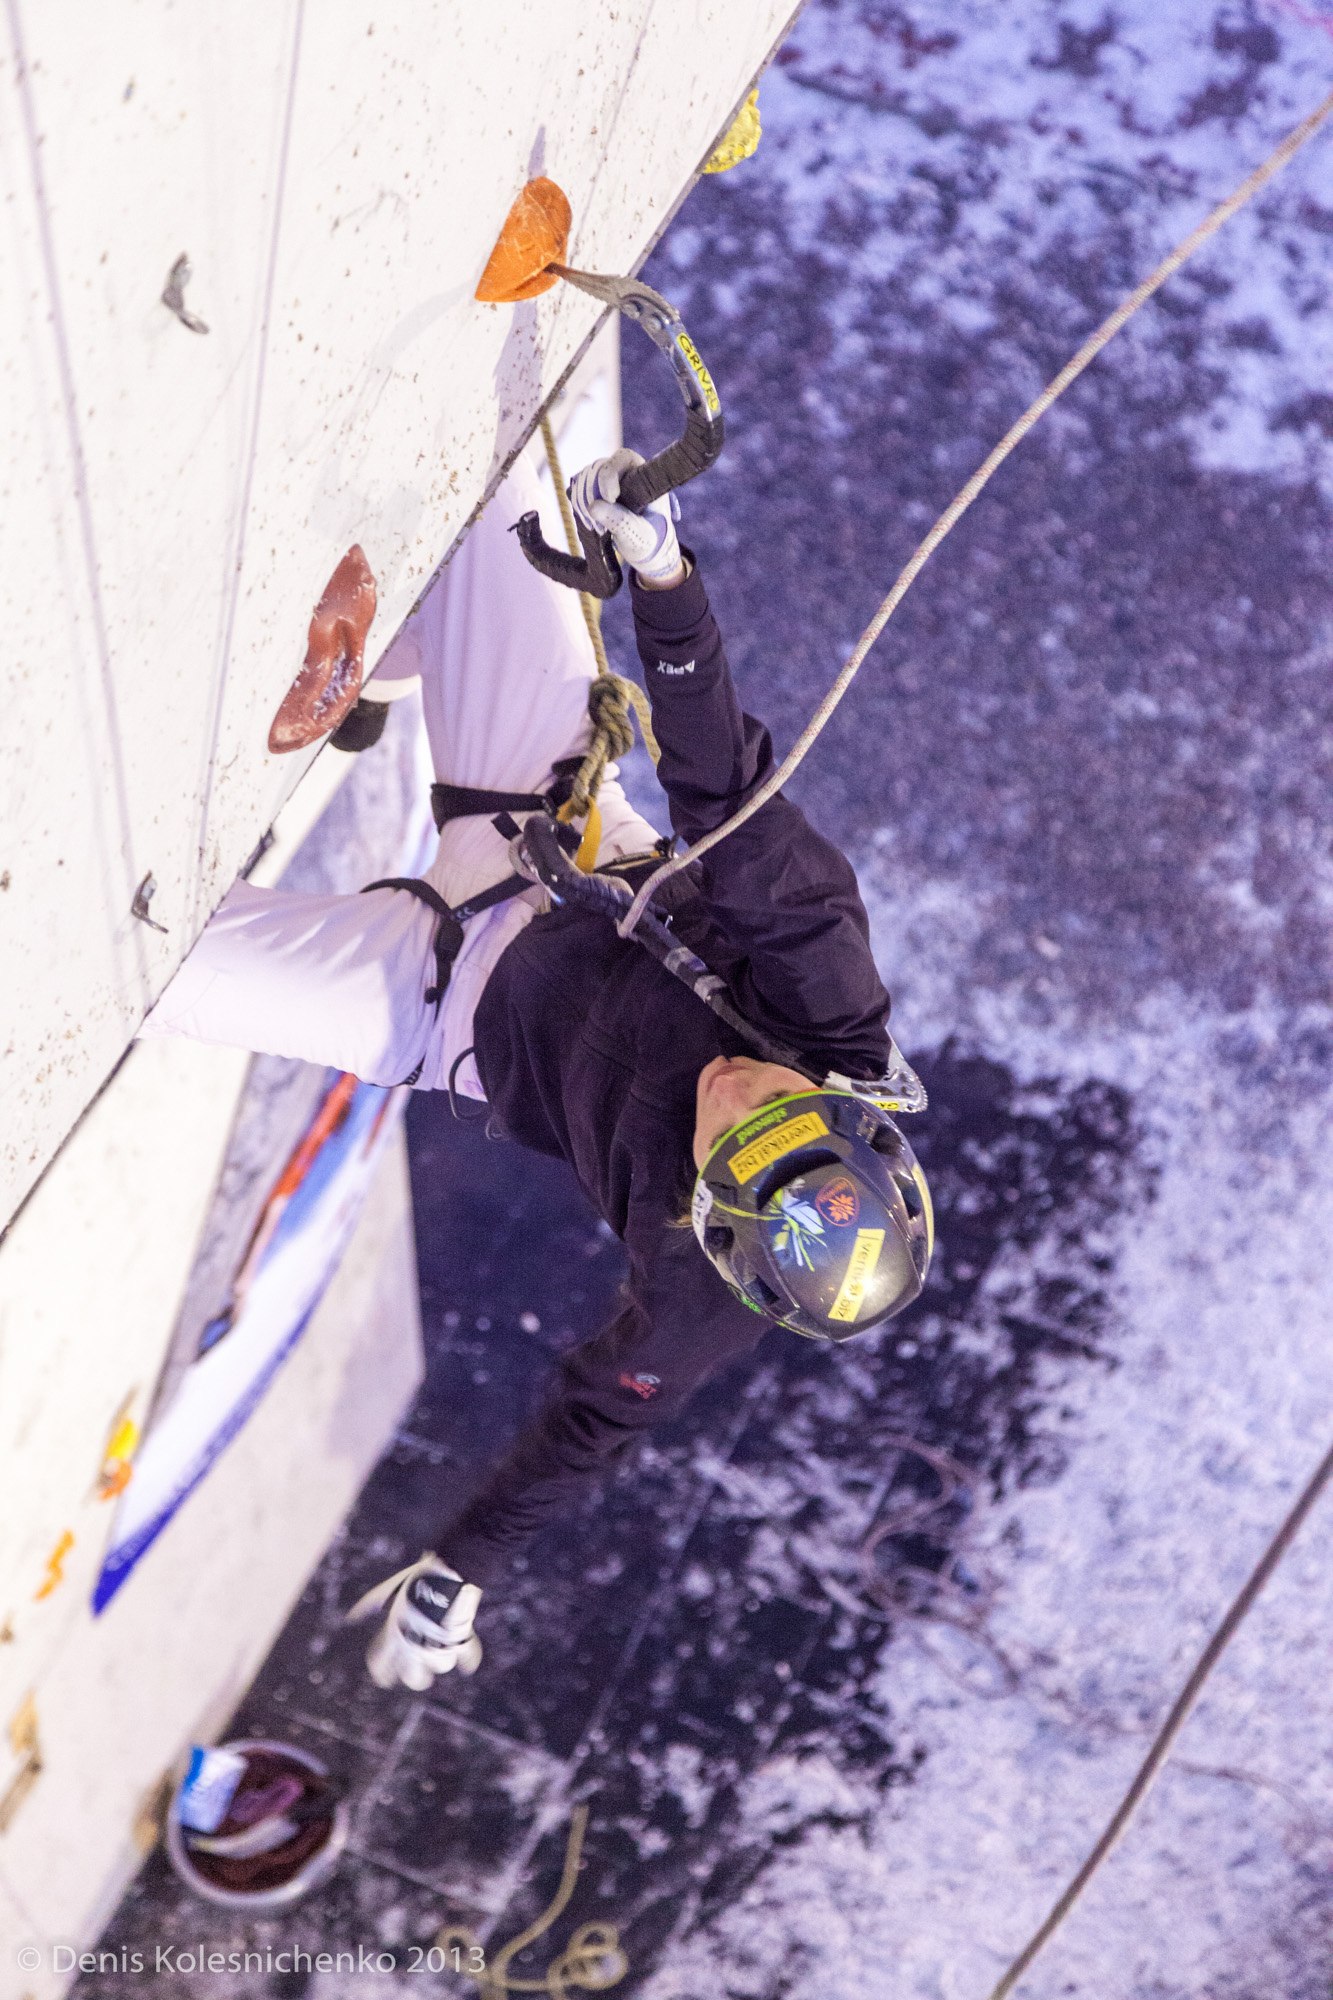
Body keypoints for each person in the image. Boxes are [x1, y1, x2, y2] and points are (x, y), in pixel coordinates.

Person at [143, 446, 933, 1692]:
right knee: (489, 485)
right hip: (557, 826)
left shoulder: (700, 1294)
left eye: (727, 1133)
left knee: (125, 974)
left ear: (717, 1217)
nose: (738, 1091)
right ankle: (399, 660)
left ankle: (400, 668)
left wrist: (458, 1571)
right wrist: (664, 576)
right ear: (845, 1109)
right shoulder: (829, 997)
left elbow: (589, 1428)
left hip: (435, 1003)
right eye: (784, 1103)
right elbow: (722, 775)